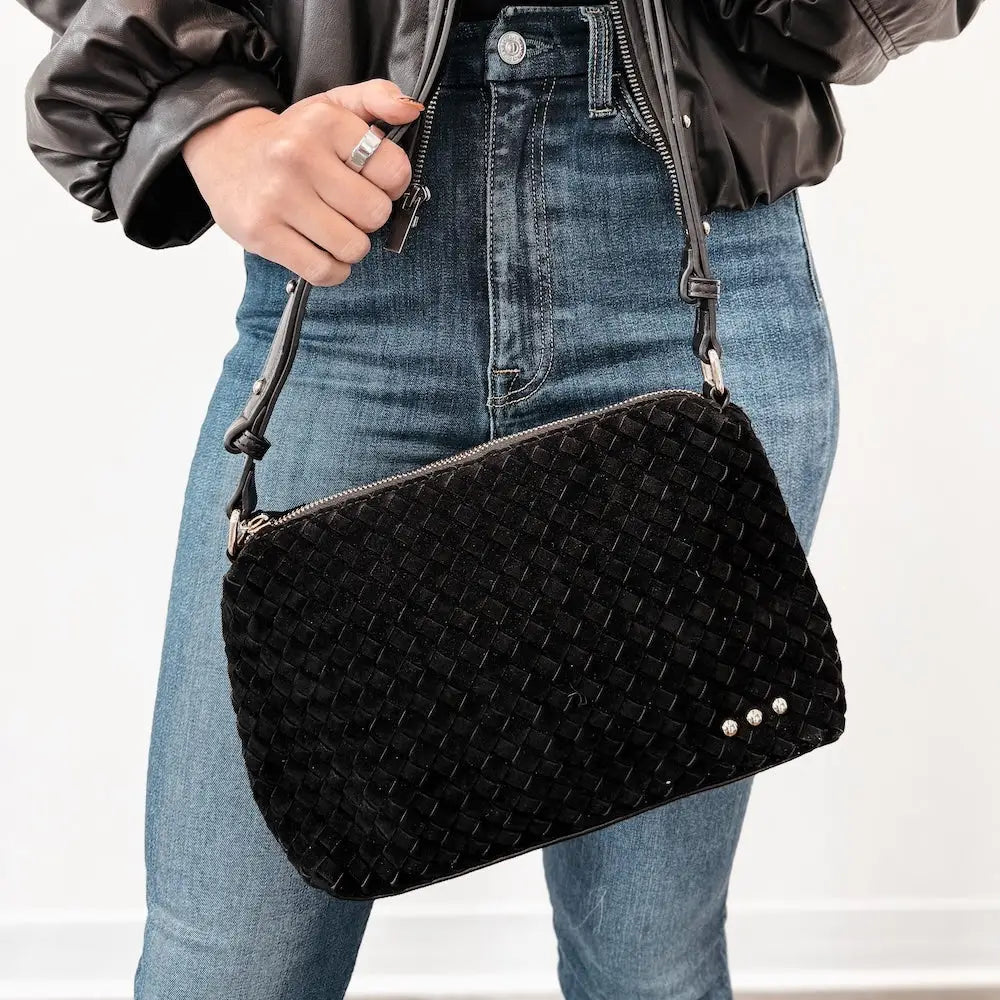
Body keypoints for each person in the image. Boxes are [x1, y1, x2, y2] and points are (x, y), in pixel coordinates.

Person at [19, 0, 981, 997]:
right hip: (350, 258)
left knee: (650, 965)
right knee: (227, 966)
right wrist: (205, 120)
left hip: (686, 251)